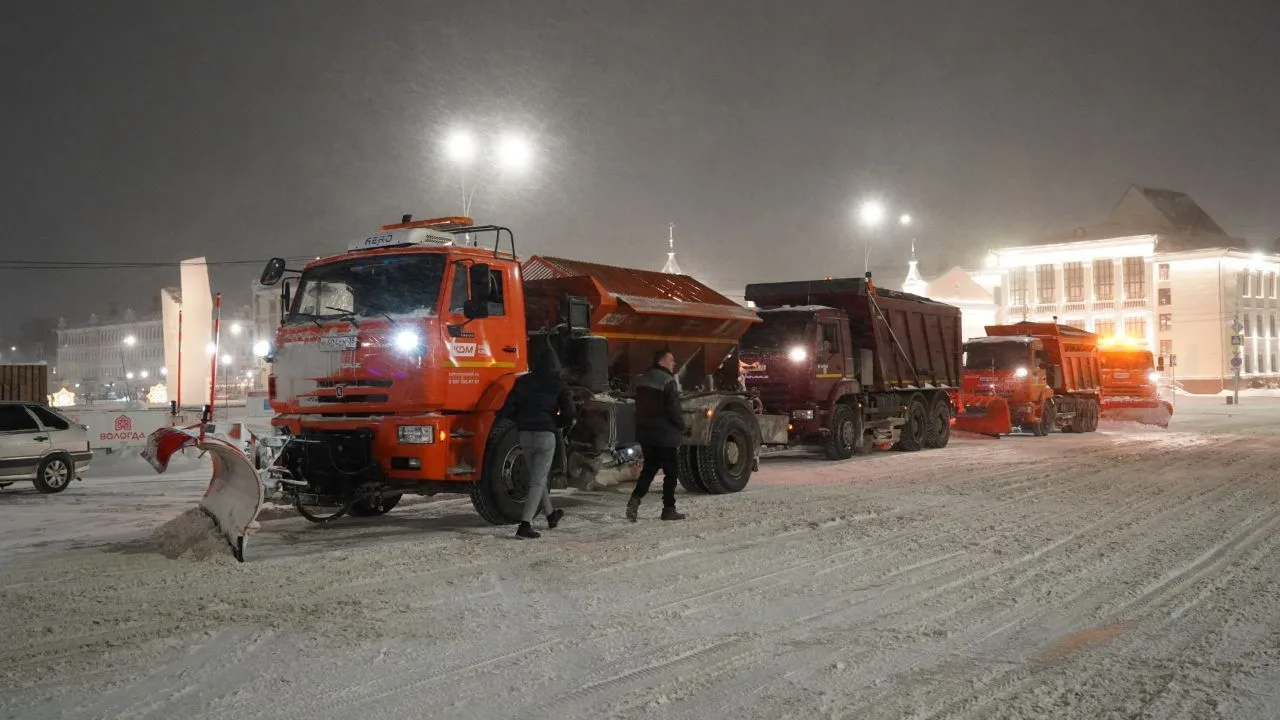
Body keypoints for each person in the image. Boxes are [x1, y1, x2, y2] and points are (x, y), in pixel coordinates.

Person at [500, 348, 576, 539]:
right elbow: (570, 414)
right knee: (538, 480)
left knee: (537, 477)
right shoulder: (558, 384)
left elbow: (507, 410)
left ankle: (551, 515)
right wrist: (555, 424)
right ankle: (525, 525)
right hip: (546, 436)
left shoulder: (522, 382)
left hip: (525, 435)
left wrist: (522, 422)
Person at [627, 349, 687, 522]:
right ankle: (669, 509)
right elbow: (673, 409)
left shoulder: (642, 380)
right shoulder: (668, 381)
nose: (674, 363)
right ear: (662, 362)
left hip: (646, 433)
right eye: (671, 360)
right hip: (665, 434)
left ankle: (635, 498)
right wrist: (681, 426)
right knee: (671, 472)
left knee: (649, 469)